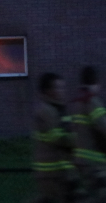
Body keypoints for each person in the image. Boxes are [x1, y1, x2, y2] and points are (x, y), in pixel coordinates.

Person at [72, 66, 106, 203]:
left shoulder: (77, 103)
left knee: (97, 196)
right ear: (96, 83)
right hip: (97, 164)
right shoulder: (92, 101)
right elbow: (105, 126)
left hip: (82, 162)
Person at [32, 72, 78, 203]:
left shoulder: (59, 109)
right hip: (51, 173)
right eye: (58, 87)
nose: (62, 91)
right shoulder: (46, 111)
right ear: (48, 91)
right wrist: (80, 139)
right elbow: (57, 137)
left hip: (63, 172)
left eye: (63, 87)